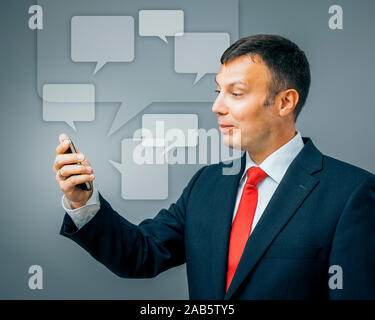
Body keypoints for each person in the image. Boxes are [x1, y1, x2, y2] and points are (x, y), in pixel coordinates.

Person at [53, 34, 375, 299]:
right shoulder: (206, 185)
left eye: (235, 93)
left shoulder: (350, 194)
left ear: (284, 102)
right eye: (218, 91)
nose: (217, 106)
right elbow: (141, 254)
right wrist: (83, 203)